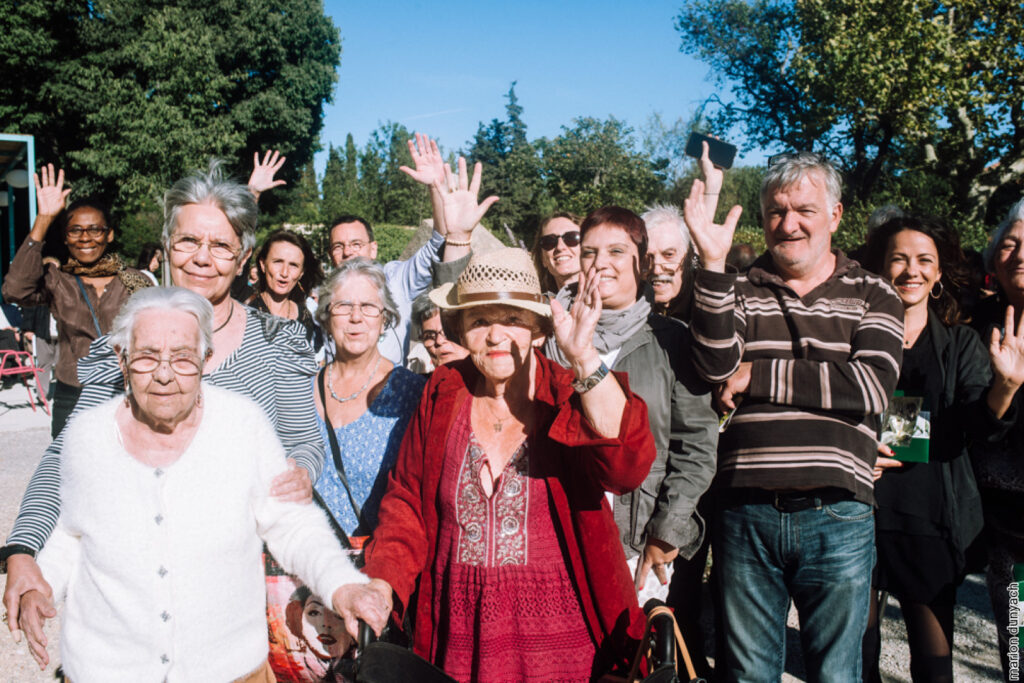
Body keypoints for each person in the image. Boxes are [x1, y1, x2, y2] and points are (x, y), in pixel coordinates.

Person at [1, 160, 324, 644]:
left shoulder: (278, 343)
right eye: (189, 241)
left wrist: (302, 472)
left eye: (220, 245)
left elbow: (304, 440)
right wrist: (24, 549)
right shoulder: (124, 345)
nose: (201, 257)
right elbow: (64, 458)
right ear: (168, 244)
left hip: (238, 611)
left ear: (243, 258)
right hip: (131, 611)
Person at [16, 287, 377, 681]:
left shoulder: (243, 425)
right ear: (121, 359)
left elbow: (291, 525)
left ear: (206, 360)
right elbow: (71, 534)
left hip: (229, 671)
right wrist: (42, 584)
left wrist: (342, 585)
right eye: (147, 356)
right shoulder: (87, 435)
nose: (165, 374)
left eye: (183, 358)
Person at [345, 247, 657, 681]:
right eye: (478, 321)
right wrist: (383, 583)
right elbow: (407, 505)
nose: (495, 336)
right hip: (458, 636)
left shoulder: (569, 392)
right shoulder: (442, 393)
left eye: (512, 320)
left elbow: (627, 467)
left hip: (562, 645)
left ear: (538, 330)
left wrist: (585, 357)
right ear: (460, 331)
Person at [684, 151, 905, 680]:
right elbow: (716, 365)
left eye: (803, 209)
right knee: (748, 673)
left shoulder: (876, 294)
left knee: (835, 673)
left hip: (839, 511)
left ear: (836, 214)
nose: (788, 224)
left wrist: (757, 376)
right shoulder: (735, 288)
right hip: (744, 511)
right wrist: (712, 266)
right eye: (775, 212)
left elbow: (871, 385)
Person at [861, 214, 1013, 682]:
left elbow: (972, 424)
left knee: (938, 662)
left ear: (940, 272)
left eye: (924, 260)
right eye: (899, 259)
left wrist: (1004, 388)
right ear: (880, 267)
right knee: (854, 653)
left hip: (931, 517)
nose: (912, 271)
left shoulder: (962, 344)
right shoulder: (855, 337)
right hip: (859, 513)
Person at [545, 206, 718, 609]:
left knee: (631, 661)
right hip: (559, 535)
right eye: (589, 252)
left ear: (641, 265)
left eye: (616, 252)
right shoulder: (550, 336)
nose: (601, 262)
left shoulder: (671, 342)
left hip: (637, 541)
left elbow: (695, 446)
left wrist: (667, 532)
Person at [1, 164, 152, 437]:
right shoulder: (58, 280)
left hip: (125, 394)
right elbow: (15, 291)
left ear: (110, 234)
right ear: (66, 237)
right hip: (73, 396)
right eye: (75, 230)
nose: (85, 238)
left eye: (95, 230)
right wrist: (44, 219)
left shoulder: (134, 281)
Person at [327, 135, 479, 366]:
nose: (348, 252)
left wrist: (435, 186)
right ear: (331, 255)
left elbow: (437, 241)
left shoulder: (396, 280)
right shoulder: (320, 299)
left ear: (373, 249)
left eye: (356, 244)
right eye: (339, 246)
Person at [312, 259, 426, 536]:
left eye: (368, 307)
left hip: (379, 565)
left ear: (385, 317)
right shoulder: (301, 390)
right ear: (326, 318)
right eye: (343, 306)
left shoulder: (410, 393)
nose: (355, 317)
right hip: (307, 563)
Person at [972, 197, 1024, 681]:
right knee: (1019, 649)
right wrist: (1004, 389)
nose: (1021, 253)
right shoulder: (975, 326)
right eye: (1010, 244)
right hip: (1011, 524)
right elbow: (973, 429)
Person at [642, 142, 723, 322]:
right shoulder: (632, 310)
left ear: (688, 257)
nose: (656, 268)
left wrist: (712, 185)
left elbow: (700, 236)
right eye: (647, 258)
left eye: (669, 254)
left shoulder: (703, 303)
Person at [248, 229, 324, 350]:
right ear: (263, 264)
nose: (284, 273)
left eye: (293, 265)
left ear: (301, 273)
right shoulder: (246, 313)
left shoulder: (304, 316)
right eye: (278, 262)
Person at [408, 292, 469, 373]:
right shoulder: (422, 384)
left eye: (447, 331)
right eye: (429, 336)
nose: (439, 341)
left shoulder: (487, 383)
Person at [530, 212, 582, 296]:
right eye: (549, 241)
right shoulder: (538, 306)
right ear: (543, 258)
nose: (560, 247)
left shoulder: (608, 299)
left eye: (571, 238)